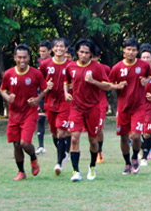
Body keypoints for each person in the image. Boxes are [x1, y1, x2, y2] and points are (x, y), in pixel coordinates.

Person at [0, 44, 52, 181]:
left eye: (25, 57)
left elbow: (45, 88)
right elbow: (2, 89)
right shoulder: (9, 74)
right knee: (16, 144)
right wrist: (7, 97)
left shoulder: (35, 73)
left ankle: (33, 158)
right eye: (19, 57)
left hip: (29, 113)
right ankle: (21, 172)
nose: (22, 60)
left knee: (24, 143)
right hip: (14, 114)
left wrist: (37, 99)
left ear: (29, 57)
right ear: (15, 57)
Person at [64, 39, 112, 182]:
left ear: (91, 54)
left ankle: (92, 167)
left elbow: (107, 86)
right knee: (74, 138)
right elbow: (66, 82)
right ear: (77, 52)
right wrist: (66, 92)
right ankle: (75, 171)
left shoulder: (97, 68)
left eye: (87, 53)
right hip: (76, 108)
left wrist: (93, 82)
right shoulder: (71, 67)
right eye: (81, 52)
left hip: (93, 108)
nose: (84, 55)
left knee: (93, 141)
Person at [109, 37, 151, 175]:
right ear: (124, 51)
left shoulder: (143, 65)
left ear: (137, 51)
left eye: (133, 50)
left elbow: (150, 76)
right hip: (123, 108)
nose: (131, 52)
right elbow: (109, 85)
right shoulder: (117, 68)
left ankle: (134, 157)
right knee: (123, 137)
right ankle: (127, 163)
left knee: (136, 136)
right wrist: (117, 86)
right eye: (128, 50)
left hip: (139, 106)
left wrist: (146, 80)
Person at [39, 38, 72, 175]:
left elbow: (76, 81)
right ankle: (63, 153)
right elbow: (39, 82)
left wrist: (71, 87)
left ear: (66, 49)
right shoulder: (45, 64)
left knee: (61, 131)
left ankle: (59, 163)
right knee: (54, 133)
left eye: (62, 46)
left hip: (65, 102)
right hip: (50, 102)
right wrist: (46, 86)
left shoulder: (71, 65)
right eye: (56, 46)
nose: (59, 48)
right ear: (52, 49)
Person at [92, 51, 110, 164]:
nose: (92, 58)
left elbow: (110, 83)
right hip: (87, 102)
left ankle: (99, 152)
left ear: (99, 57)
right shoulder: (81, 67)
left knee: (98, 128)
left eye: (95, 56)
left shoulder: (105, 68)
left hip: (100, 102)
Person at [35, 40, 52, 154]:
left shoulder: (55, 62)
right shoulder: (39, 62)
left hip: (54, 94)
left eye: (44, 51)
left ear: (50, 51)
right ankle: (41, 146)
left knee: (55, 120)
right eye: (40, 51)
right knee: (40, 118)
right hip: (42, 94)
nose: (41, 53)